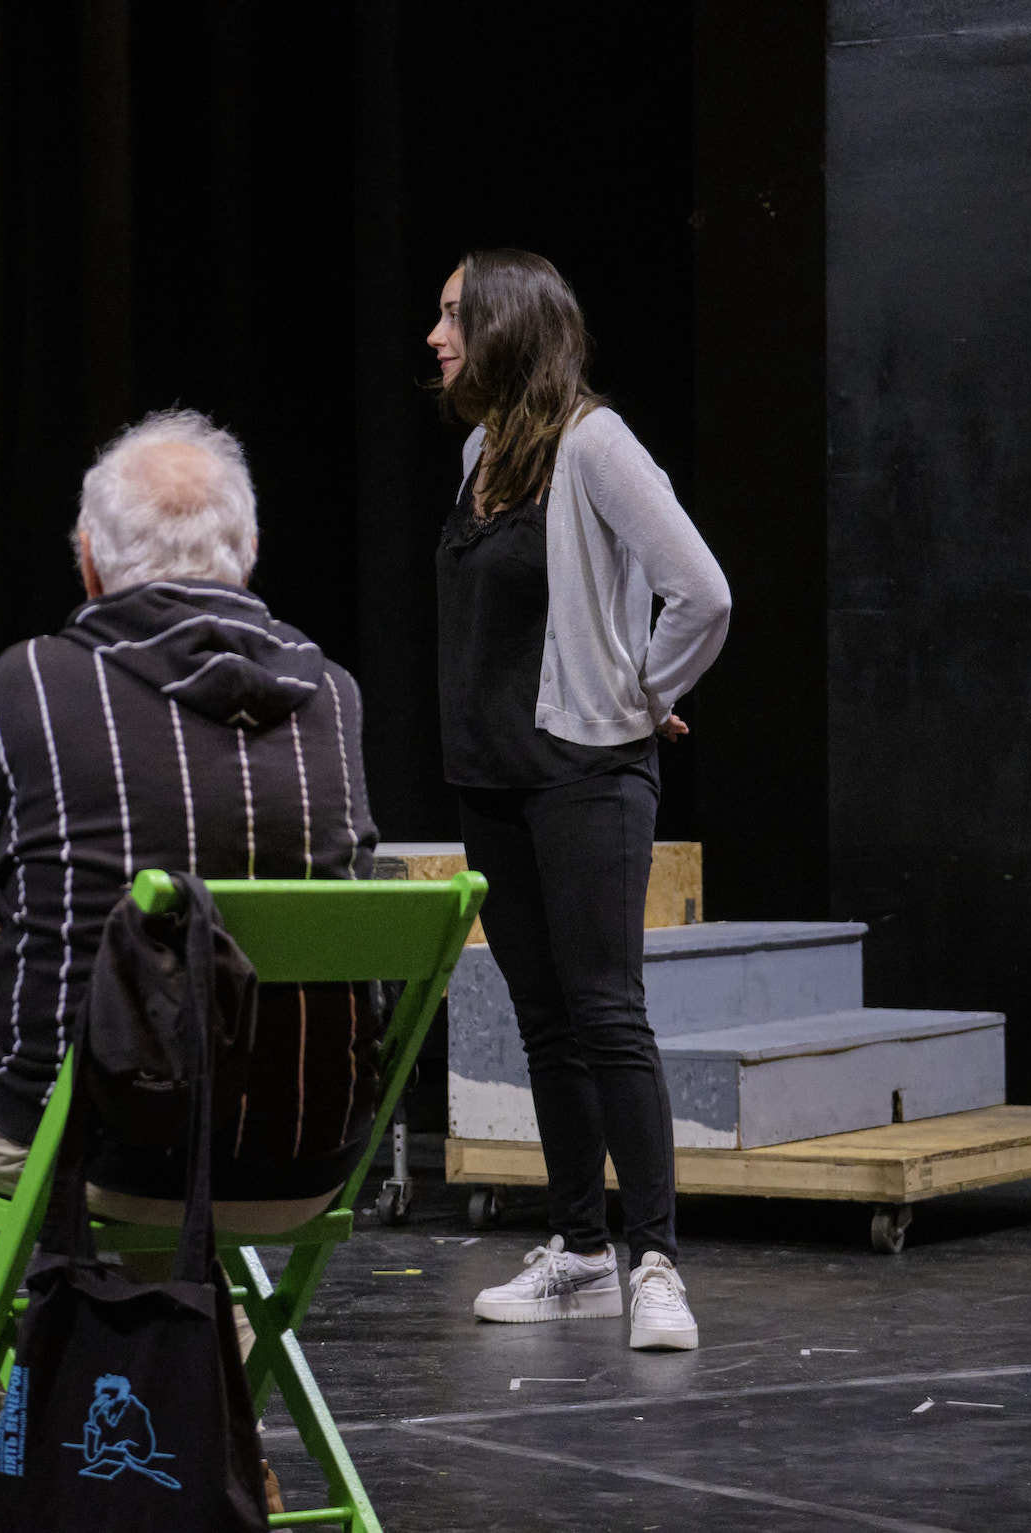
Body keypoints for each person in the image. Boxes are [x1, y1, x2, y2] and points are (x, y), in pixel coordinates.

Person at [0, 410, 380, 1531]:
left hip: (96, 1142)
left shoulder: (30, 685)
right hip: (303, 1155)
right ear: (247, 554)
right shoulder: (336, 698)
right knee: (181, 1115)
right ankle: (219, 1444)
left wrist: (1, 930)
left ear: (87, 562)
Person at [426, 249, 730, 1351]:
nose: (434, 335)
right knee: (544, 1024)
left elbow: (699, 588)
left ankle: (655, 1264)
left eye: (453, 314)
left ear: (506, 324)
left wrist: (641, 690)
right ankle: (580, 1254)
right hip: (491, 777)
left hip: (584, 774)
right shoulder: (479, 451)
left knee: (606, 1014)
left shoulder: (590, 445)